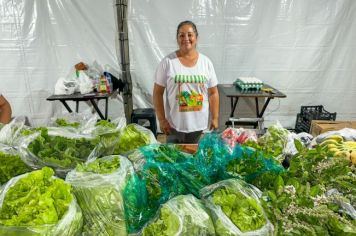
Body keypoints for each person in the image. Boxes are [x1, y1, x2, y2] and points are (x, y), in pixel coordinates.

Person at [153, 20, 219, 144]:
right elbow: (157, 93)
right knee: (174, 161)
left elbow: (213, 93)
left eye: (190, 34)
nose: (186, 38)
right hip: (173, 127)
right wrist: (162, 120)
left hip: (199, 128)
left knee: (196, 160)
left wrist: (215, 117)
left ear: (196, 37)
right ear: (177, 38)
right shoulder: (168, 62)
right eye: (181, 35)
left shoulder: (206, 63)